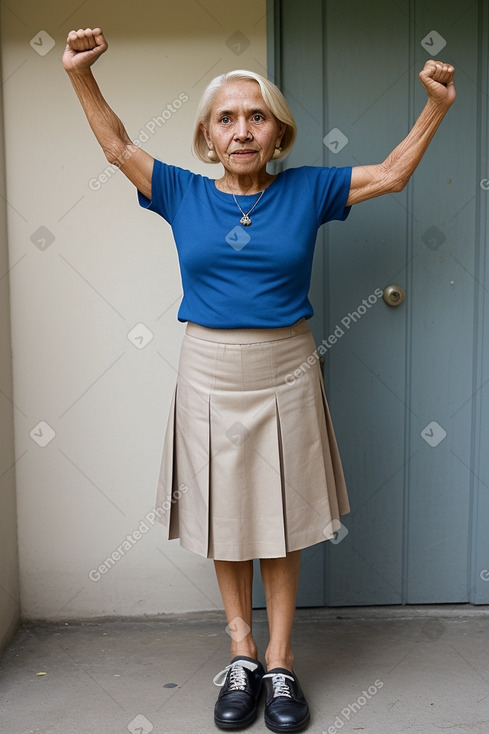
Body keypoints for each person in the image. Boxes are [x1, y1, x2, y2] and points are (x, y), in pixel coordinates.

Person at [62, 27, 455, 733]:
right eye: (226, 118)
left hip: (287, 366)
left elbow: (393, 172)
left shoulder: (309, 190)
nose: (241, 129)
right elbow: (118, 146)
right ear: (208, 138)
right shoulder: (180, 192)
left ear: (277, 134)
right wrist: (78, 74)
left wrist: (435, 106)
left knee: (283, 518)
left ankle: (279, 662)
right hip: (208, 367)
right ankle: (239, 651)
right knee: (224, 514)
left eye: (256, 116)